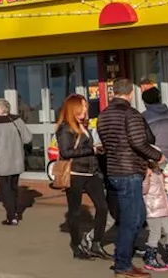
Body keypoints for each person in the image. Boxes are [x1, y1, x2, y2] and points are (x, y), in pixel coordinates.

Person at [99, 78, 166, 278]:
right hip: (129, 171)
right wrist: (157, 156)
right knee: (133, 219)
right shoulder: (131, 113)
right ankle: (123, 264)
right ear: (130, 94)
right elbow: (139, 142)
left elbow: (105, 141)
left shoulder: (103, 115)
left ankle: (122, 259)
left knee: (134, 217)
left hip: (114, 170)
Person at [54, 94, 110, 260]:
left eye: (86, 106)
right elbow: (66, 152)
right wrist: (91, 150)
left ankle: (96, 243)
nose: (86, 109)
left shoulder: (82, 125)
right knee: (75, 211)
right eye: (83, 106)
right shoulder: (65, 128)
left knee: (103, 207)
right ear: (74, 108)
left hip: (91, 172)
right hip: (75, 174)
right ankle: (77, 246)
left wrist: (97, 150)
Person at [140, 86, 168, 223]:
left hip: (154, 154)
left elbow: (143, 139)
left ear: (145, 102)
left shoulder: (144, 117)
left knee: (156, 186)